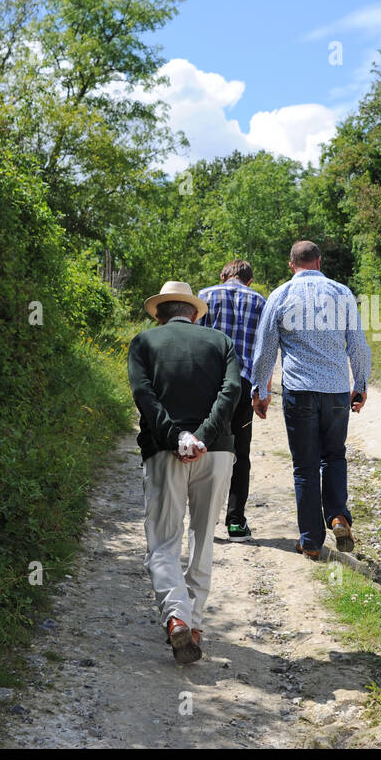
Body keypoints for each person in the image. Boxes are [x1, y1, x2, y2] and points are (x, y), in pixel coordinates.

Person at [128, 280, 241, 664]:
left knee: (163, 541)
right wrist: (204, 437)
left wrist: (177, 436)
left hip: (163, 452)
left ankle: (176, 616)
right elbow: (231, 392)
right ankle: (193, 623)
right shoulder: (221, 343)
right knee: (203, 537)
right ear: (193, 313)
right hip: (217, 452)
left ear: (159, 314)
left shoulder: (143, 343)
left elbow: (145, 397)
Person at [251, 241, 372, 558]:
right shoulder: (341, 293)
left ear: (291, 265)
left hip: (300, 391)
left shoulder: (280, 295)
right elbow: (358, 344)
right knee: (334, 456)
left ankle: (311, 542)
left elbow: (265, 351)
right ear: (319, 262)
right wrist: (360, 384)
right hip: (334, 390)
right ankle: (337, 515)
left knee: (305, 467)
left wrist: (261, 391)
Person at [198, 259, 267, 541]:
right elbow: (264, 350)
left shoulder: (204, 296)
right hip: (243, 384)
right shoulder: (260, 301)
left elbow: (195, 341)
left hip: (209, 385)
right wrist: (262, 392)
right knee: (241, 453)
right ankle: (236, 522)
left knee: (206, 447)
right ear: (249, 280)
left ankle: (204, 521)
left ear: (223, 275)